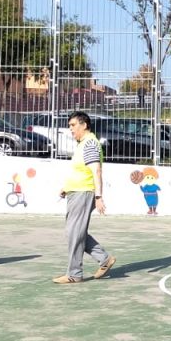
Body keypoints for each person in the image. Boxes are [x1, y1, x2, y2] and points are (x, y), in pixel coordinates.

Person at [54, 112, 115, 284]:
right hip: (76, 192)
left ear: (84, 125)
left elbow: (96, 170)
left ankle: (74, 273)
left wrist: (99, 196)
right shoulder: (82, 144)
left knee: (74, 232)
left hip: (84, 193)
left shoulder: (89, 144)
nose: (70, 129)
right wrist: (66, 188)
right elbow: (80, 171)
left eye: (73, 125)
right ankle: (104, 259)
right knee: (75, 232)